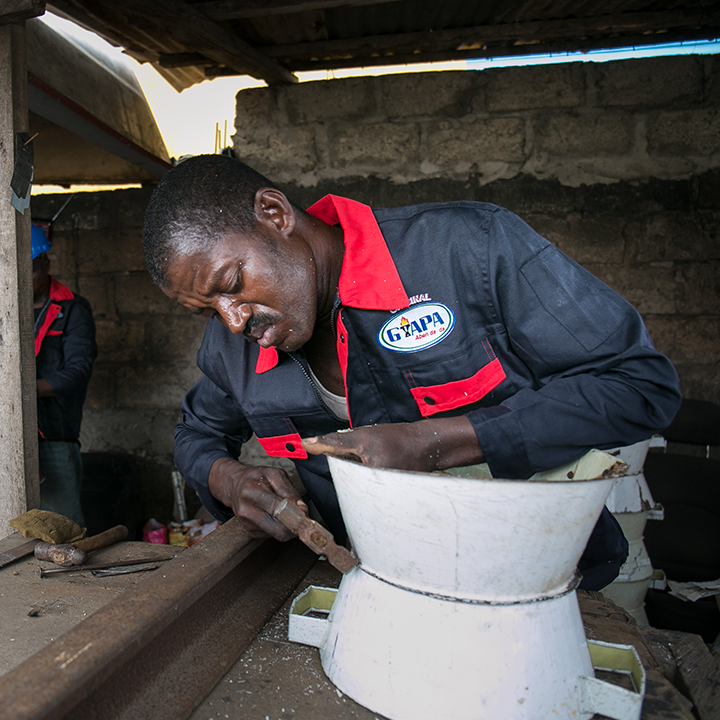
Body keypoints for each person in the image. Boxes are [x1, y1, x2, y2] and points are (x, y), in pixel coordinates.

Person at [142, 155, 681, 591]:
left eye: (232, 281)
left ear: (275, 214)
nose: (232, 322)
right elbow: (197, 435)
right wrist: (230, 479)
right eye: (207, 309)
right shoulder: (230, 346)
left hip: (544, 583)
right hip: (377, 587)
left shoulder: (468, 250)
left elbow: (639, 386)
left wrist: (437, 442)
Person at [33, 223, 97, 526]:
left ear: (45, 264)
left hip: (54, 435)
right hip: (11, 434)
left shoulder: (72, 309)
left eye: (31, 271)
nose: (23, 280)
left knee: (62, 527)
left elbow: (77, 371)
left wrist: (25, 391)